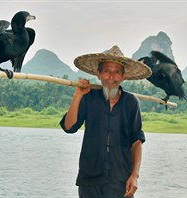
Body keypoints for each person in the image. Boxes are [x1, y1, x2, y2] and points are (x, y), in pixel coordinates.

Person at [60, 45, 152, 198]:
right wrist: (78, 96)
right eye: (107, 71)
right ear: (99, 74)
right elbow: (69, 127)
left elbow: (136, 141)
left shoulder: (131, 102)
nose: (111, 77)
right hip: (89, 179)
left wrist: (134, 176)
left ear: (123, 76)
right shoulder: (88, 97)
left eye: (117, 72)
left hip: (120, 179)